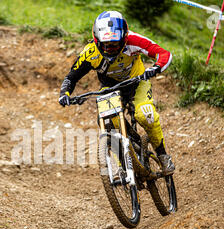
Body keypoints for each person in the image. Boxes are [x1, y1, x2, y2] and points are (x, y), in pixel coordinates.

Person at [58, 10, 175, 175]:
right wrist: (65, 94)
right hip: (110, 87)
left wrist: (155, 69)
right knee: (106, 121)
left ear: (124, 38)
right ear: (97, 41)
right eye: (106, 45)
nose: (111, 49)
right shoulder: (90, 53)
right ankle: (121, 164)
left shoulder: (134, 41)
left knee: (145, 115)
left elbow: (164, 54)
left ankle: (163, 155)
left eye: (115, 44)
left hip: (137, 82)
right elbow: (71, 77)